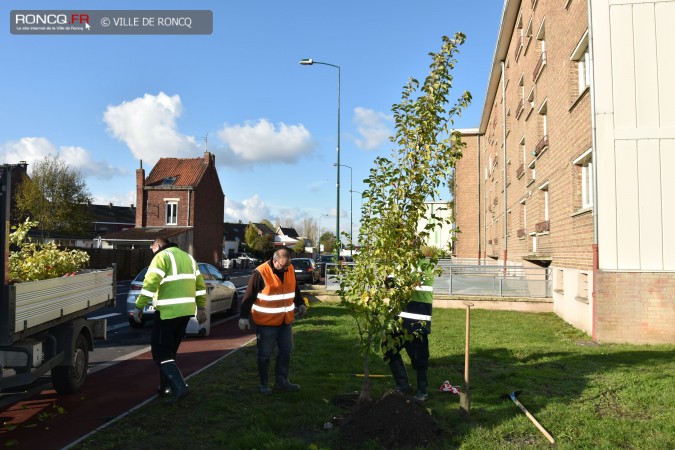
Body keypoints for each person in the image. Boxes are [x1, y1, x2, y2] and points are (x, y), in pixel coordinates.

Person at [134, 238, 207, 404]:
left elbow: (150, 284)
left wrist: (139, 306)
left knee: (160, 353)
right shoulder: (189, 258)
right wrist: (201, 307)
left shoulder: (161, 257)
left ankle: (180, 387)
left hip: (167, 312)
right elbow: (200, 286)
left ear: (158, 246)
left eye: (152, 249)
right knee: (170, 352)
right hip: (186, 312)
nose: (152, 253)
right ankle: (165, 388)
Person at [238, 247, 307, 394]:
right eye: (283, 266)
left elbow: (295, 290)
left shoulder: (289, 269)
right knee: (264, 355)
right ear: (275, 261)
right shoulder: (260, 272)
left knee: (286, 351)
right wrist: (243, 317)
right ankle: (264, 385)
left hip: (285, 321)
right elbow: (248, 296)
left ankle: (282, 382)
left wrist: (301, 303)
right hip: (266, 323)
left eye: (287, 266)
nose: (285, 269)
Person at [384, 259, 434, 402]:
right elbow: (390, 287)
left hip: (417, 319)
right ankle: (402, 385)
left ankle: (422, 391)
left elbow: (412, 285)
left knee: (419, 356)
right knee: (388, 348)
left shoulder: (424, 264)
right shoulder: (395, 261)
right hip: (397, 319)